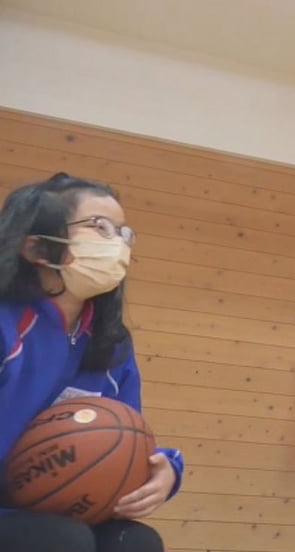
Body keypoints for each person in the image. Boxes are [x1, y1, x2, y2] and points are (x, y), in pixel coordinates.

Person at [0, 172, 185, 552]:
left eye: (123, 232)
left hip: (45, 511)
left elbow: (124, 436)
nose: (117, 244)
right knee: (61, 540)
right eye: (99, 227)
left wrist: (165, 470)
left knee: (134, 542)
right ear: (36, 249)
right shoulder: (7, 325)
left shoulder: (112, 345)